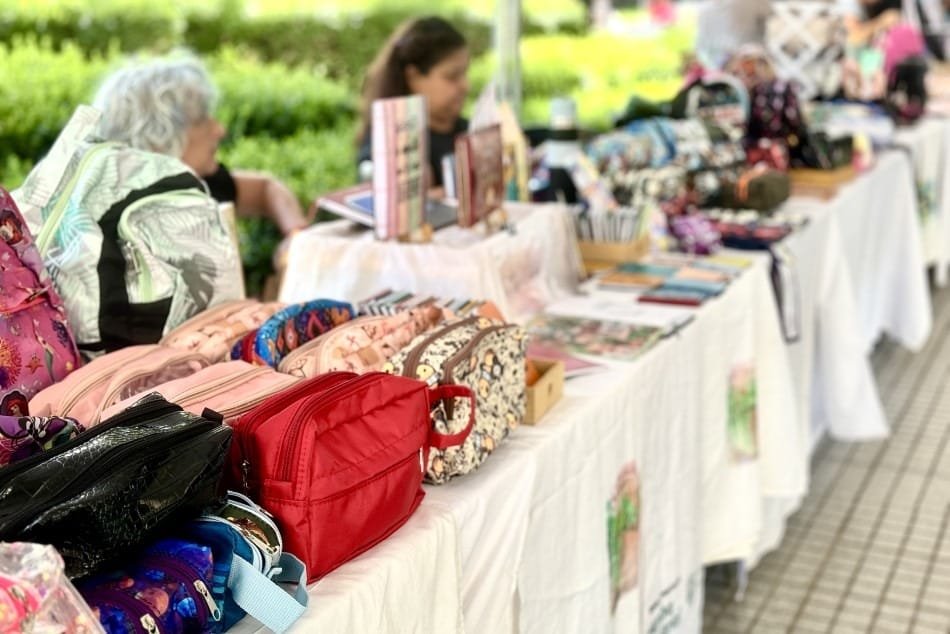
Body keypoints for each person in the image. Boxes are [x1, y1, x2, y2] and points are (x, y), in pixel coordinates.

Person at [92, 56, 310, 258]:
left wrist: (296, 235)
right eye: (201, 120)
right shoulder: (110, 230)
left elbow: (266, 189)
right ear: (157, 138)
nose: (220, 130)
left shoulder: (201, 184)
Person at [356, 16, 471, 189]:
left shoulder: (470, 132)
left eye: (465, 73)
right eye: (452, 76)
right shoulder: (388, 146)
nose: (465, 86)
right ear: (413, 77)